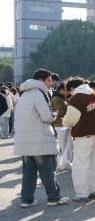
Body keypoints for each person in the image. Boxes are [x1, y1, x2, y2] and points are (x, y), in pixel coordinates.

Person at [15, 69, 69, 207]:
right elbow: (47, 117)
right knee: (47, 171)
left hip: (25, 140)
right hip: (40, 138)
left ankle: (27, 200)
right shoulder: (39, 94)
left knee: (29, 172)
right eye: (49, 80)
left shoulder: (25, 94)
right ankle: (54, 197)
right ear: (40, 80)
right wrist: (55, 115)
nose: (51, 83)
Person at [62, 78, 95, 203]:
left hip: (84, 135)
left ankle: (82, 194)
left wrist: (64, 122)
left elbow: (70, 120)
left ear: (72, 88)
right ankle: (94, 191)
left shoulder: (77, 98)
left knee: (81, 165)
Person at [51, 83, 73, 172]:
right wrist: (69, 107)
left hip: (65, 124)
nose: (69, 92)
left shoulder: (62, 98)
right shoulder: (56, 99)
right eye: (67, 90)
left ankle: (65, 163)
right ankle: (60, 164)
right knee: (62, 145)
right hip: (60, 125)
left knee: (69, 144)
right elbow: (58, 112)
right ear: (62, 89)